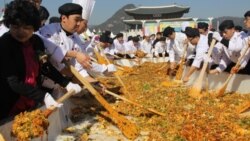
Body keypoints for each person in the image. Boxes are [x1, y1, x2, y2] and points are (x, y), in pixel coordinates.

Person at [0, 0, 81, 120]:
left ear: (34, 28)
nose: (21, 32)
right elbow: (13, 82)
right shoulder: (5, 44)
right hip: (9, 102)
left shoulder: (36, 41)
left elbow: (45, 67)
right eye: (15, 27)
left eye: (27, 27)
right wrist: (43, 96)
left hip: (31, 99)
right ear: (9, 24)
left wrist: (66, 83)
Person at [38, 3, 93, 81]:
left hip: (60, 84)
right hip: (42, 82)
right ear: (64, 18)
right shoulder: (49, 30)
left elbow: (79, 68)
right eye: (76, 20)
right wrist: (75, 54)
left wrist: (94, 83)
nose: (78, 24)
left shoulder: (77, 39)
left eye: (80, 20)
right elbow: (52, 50)